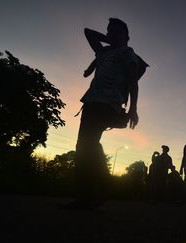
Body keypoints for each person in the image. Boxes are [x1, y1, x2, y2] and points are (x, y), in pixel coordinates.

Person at [63, 18, 148, 209]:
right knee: (87, 144)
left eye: (118, 32)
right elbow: (88, 32)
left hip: (109, 103)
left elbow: (134, 82)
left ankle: (90, 192)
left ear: (127, 37)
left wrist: (133, 109)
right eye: (110, 31)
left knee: (87, 144)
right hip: (91, 101)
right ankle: (97, 188)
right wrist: (109, 40)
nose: (112, 34)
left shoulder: (128, 53)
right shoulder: (103, 51)